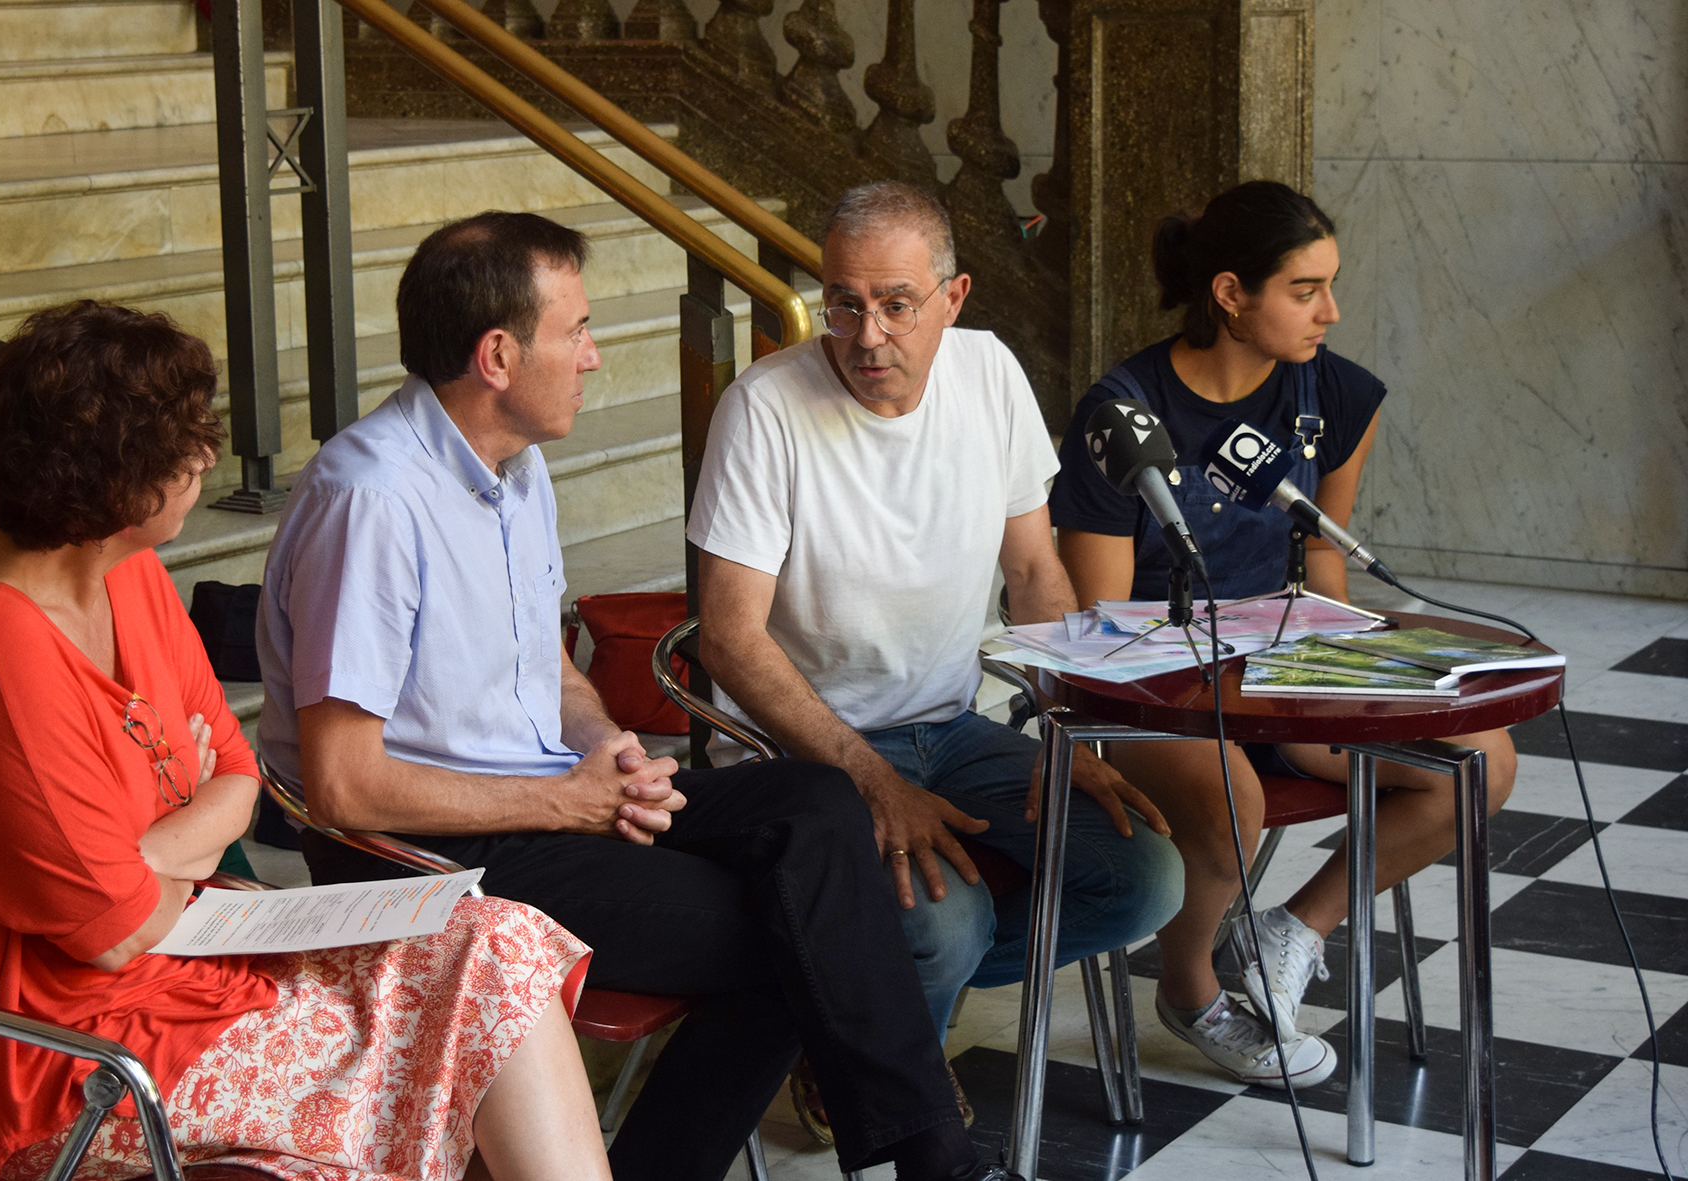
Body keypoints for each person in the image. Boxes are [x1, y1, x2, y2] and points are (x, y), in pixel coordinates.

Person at [256, 211, 1000, 1181]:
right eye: (575, 331)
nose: (594, 356)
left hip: (545, 802)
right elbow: (345, 787)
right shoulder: (375, 501)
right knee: (800, 931)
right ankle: (933, 1162)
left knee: (818, 804)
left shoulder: (512, 467)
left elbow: (545, 666)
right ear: (496, 354)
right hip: (428, 853)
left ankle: (928, 1158)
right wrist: (565, 800)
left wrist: (609, 745)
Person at [0, 301, 609, 1181]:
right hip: (60, 1065)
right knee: (448, 1034)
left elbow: (236, 773)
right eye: (187, 443)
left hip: (189, 964)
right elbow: (117, 931)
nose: (208, 457)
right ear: (119, 484)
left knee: (497, 943)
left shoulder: (126, 569)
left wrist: (143, 853)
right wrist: (168, 849)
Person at [687, 181, 1185, 1054]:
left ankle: (853, 1003)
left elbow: (1034, 571)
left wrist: (1070, 731)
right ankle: (883, 1060)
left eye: (896, 304)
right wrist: (876, 784)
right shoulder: (763, 409)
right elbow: (729, 637)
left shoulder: (989, 373)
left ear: (953, 299)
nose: (867, 335)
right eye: (843, 304)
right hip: (808, 748)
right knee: (946, 923)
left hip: (955, 726)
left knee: (1142, 877)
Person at [1048, 180, 1518, 1087]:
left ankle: (1286, 932)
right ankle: (1190, 993)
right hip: (1158, 687)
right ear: (1231, 294)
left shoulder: (1336, 394)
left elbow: (1325, 567)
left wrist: (1352, 674)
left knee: (1482, 764)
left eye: (1331, 286)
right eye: (1305, 290)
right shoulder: (1123, 413)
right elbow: (1100, 623)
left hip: (1286, 665)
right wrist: (1228, 687)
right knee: (1234, 801)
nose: (1330, 313)